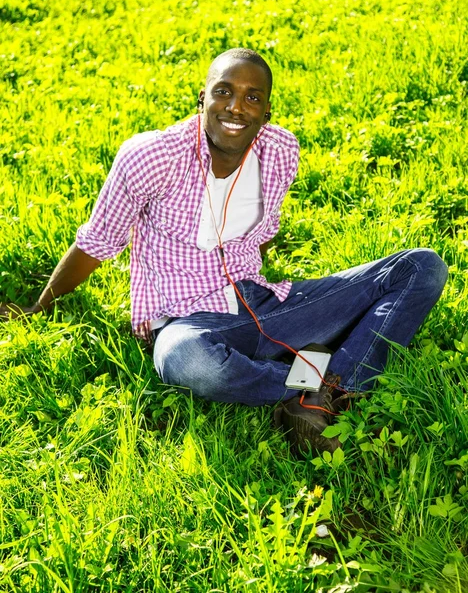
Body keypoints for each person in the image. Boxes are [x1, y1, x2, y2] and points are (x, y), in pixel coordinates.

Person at [0, 48, 448, 454]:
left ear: (267, 110)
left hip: (263, 301)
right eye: (224, 92)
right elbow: (97, 242)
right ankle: (318, 380)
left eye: (253, 97)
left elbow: (263, 231)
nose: (236, 107)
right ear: (202, 99)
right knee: (188, 362)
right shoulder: (150, 156)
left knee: (421, 267)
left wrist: (304, 305)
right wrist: (39, 306)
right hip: (187, 320)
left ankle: (320, 383)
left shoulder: (281, 150)